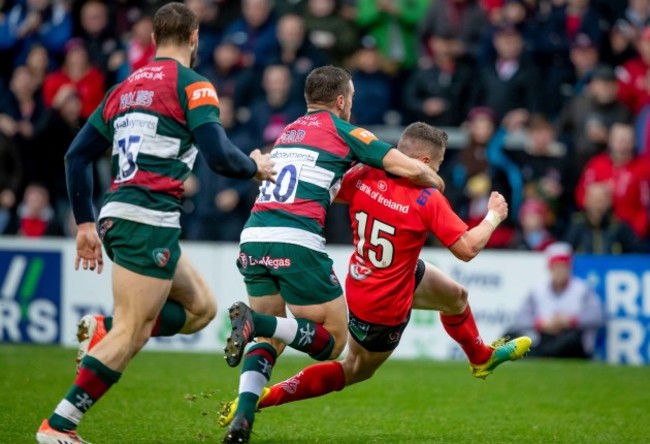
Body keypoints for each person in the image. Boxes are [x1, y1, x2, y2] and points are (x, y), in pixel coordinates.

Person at [35, 4, 274, 444]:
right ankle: (59, 426)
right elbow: (220, 157)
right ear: (195, 37)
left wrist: (85, 223)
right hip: (145, 217)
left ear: (152, 39)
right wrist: (255, 167)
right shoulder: (194, 86)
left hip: (123, 215)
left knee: (201, 308)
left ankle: (104, 329)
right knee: (133, 332)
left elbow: (76, 155)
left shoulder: (123, 89)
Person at [218, 123, 531, 433]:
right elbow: (467, 248)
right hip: (383, 304)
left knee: (455, 296)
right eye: (437, 164)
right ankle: (264, 398)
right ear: (422, 163)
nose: (437, 173)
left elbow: (327, 189)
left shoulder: (365, 175)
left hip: (381, 274)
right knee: (354, 369)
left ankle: (481, 358)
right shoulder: (426, 198)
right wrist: (494, 216)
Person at [222, 67, 445, 444]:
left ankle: (242, 420)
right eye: (352, 98)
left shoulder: (288, 131)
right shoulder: (344, 131)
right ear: (341, 100)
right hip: (295, 239)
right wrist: (435, 180)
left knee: (273, 337)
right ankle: (256, 323)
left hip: (254, 235)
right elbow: (405, 166)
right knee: (333, 342)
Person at [505, 242, 604, 358]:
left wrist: (570, 321)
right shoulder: (538, 291)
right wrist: (541, 324)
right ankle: (541, 354)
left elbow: (597, 316)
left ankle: (539, 355)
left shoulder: (582, 289)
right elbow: (520, 319)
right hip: (544, 336)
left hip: (569, 338)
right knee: (510, 336)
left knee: (571, 340)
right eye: (557, 267)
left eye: (564, 267)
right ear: (550, 268)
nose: (560, 271)